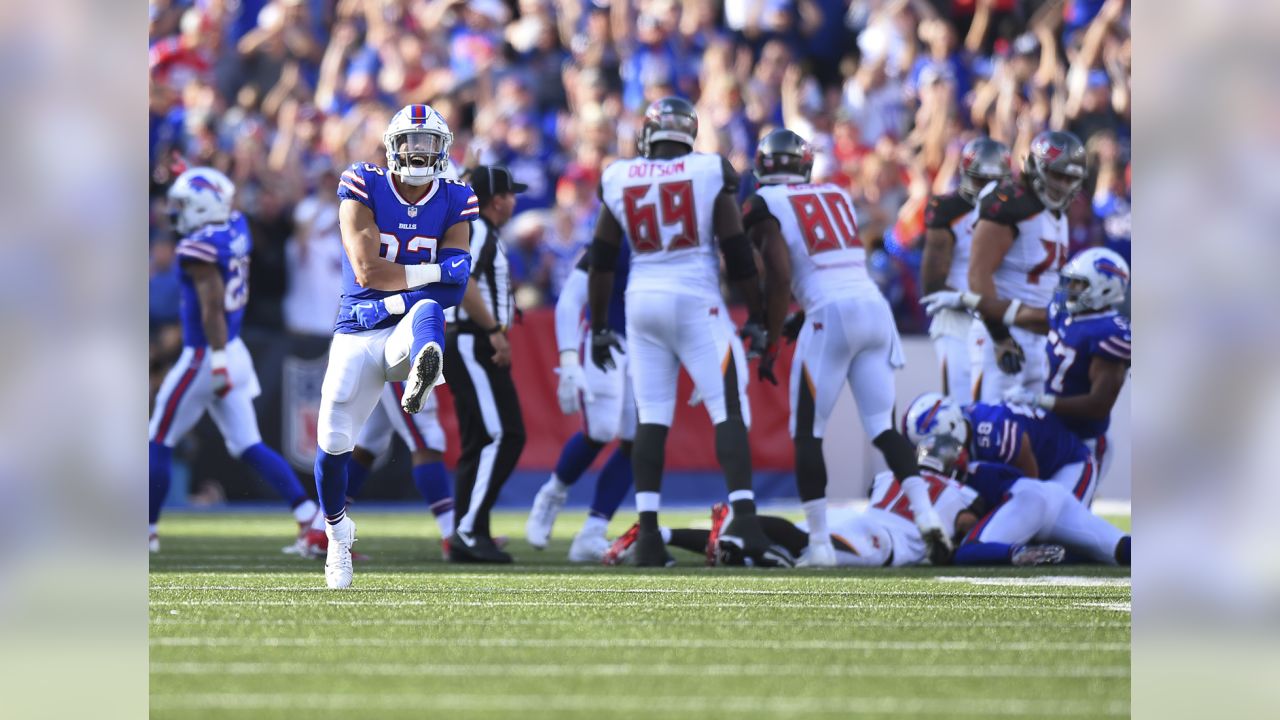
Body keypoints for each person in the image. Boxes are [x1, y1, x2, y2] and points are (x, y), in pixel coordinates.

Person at [587, 96, 787, 568]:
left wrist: (598, 326)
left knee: (652, 417)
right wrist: (757, 314)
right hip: (694, 296)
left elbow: (600, 258)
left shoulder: (619, 175)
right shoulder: (707, 170)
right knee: (727, 407)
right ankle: (744, 519)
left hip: (642, 300)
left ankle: (650, 533)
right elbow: (736, 249)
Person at [741, 128, 952, 568]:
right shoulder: (834, 194)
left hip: (830, 313)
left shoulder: (764, 204)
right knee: (883, 428)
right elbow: (833, 267)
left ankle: (819, 544)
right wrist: (797, 320)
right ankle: (927, 516)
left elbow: (780, 276)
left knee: (806, 433)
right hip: (873, 308)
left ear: (763, 168)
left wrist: (769, 332)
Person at [315, 104, 476, 589]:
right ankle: (336, 533)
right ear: (392, 146)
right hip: (356, 333)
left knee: (428, 313)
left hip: (395, 324)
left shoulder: (455, 199)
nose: (419, 153)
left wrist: (392, 303)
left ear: (443, 151)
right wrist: (433, 274)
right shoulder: (363, 184)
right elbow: (367, 271)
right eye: (411, 143)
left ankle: (422, 377)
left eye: (428, 145)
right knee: (334, 444)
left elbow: (456, 288)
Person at [149, 167, 318, 554]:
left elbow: (211, 308)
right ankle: (309, 516)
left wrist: (218, 360)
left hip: (208, 352)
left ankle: (146, 532)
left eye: (184, 204)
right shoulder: (237, 225)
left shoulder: (198, 248)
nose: (176, 212)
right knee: (248, 443)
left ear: (204, 206)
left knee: (157, 438)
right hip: (235, 349)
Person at [923, 246, 1131, 488]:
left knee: (1062, 516)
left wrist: (1038, 401)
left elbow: (1098, 406)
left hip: (1086, 443)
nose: (1069, 290)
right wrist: (966, 299)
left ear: (1105, 289)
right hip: (1054, 431)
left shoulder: (1109, 334)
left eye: (1078, 285)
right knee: (1036, 505)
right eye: (1069, 282)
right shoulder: (1067, 315)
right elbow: (1019, 314)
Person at [606, 436, 982, 569]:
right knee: (803, 549)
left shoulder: (890, 477)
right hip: (885, 540)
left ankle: (661, 532)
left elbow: (876, 490)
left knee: (771, 547)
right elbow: (966, 525)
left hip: (852, 516)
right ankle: (738, 535)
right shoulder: (960, 493)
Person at [525, 245, 636, 563]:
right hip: (607, 338)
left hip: (648, 343)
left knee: (639, 439)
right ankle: (553, 492)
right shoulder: (619, 236)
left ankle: (592, 532)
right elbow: (571, 298)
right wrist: (570, 360)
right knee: (601, 429)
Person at [442, 165, 527, 563]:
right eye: (511, 194)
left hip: (470, 341)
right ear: (498, 200)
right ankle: (470, 529)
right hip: (472, 342)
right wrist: (493, 327)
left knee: (479, 440)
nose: (515, 201)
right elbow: (464, 281)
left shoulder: (482, 231)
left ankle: (471, 527)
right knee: (504, 435)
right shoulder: (477, 229)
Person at [966, 130, 1087, 403]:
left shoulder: (1058, 213)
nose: (1063, 185)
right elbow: (978, 274)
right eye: (1057, 175)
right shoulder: (1010, 203)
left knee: (1037, 437)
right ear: (1036, 167)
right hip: (1005, 336)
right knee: (991, 432)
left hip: (1043, 339)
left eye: (1070, 178)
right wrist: (1000, 336)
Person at [920, 137, 1011, 403]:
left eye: (996, 182)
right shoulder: (948, 210)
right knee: (961, 404)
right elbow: (932, 284)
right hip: (957, 319)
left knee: (998, 408)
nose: (989, 190)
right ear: (966, 176)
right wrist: (973, 301)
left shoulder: (1016, 212)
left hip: (1000, 318)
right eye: (982, 181)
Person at [901, 390, 1101, 506]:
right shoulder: (962, 423)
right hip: (1037, 471)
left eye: (936, 446)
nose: (933, 453)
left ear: (953, 427)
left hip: (1069, 463)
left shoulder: (994, 431)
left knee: (1055, 526)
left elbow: (1033, 489)